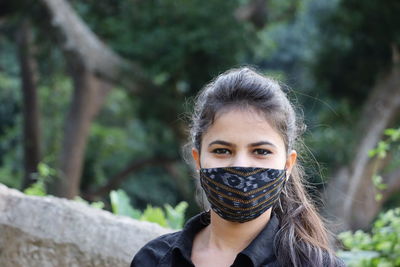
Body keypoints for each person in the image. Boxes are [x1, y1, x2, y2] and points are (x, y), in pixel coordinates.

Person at [130, 67, 346, 267]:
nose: (241, 165)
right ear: (198, 160)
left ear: (288, 164)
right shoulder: (153, 260)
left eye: (261, 151)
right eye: (222, 151)